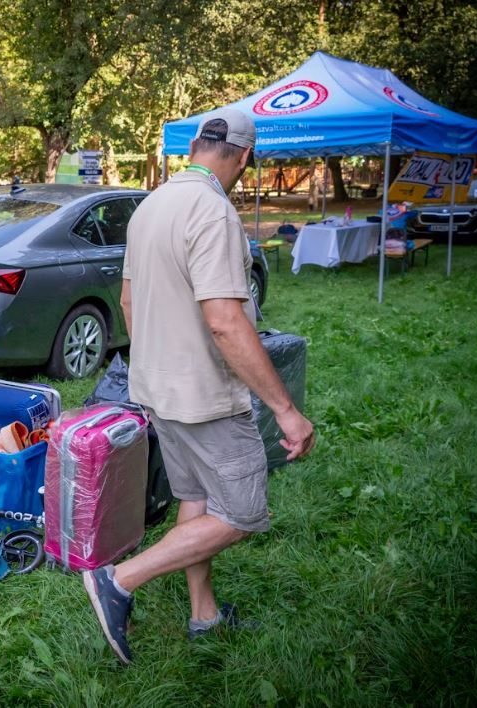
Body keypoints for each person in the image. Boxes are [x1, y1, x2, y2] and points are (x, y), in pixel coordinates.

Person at [81, 108, 315, 665]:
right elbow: (226, 320)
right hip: (206, 396)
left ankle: (203, 615)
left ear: (197, 147)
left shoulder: (151, 205)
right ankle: (118, 581)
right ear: (244, 156)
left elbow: (130, 302)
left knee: (195, 498)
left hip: (154, 386)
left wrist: (152, 366)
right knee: (242, 513)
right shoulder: (213, 211)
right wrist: (285, 409)